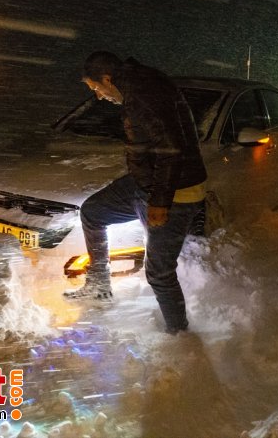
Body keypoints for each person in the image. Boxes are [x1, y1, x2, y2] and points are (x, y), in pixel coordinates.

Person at [64, 51, 207, 334]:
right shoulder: (139, 85)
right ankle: (98, 284)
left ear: (107, 78)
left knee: (159, 273)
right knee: (93, 212)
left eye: (96, 89)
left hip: (175, 192)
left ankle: (179, 335)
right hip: (146, 184)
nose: (99, 96)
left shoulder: (143, 93)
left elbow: (171, 149)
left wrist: (160, 202)